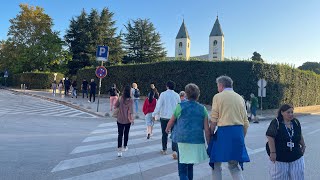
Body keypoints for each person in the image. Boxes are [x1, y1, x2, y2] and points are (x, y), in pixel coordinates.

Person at [208, 75, 250, 180]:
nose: (217, 88)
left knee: (216, 163)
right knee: (233, 165)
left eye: (218, 85)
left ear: (221, 85)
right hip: (238, 133)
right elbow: (246, 122)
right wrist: (241, 137)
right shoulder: (240, 98)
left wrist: (211, 133)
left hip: (223, 133)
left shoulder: (218, 97)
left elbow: (214, 119)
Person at [166, 83, 211, 180]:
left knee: (182, 170)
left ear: (186, 94)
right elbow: (207, 129)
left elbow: (172, 120)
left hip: (182, 140)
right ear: (198, 95)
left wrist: (167, 128)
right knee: (190, 167)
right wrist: (209, 144)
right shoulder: (203, 109)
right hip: (196, 140)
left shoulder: (180, 106)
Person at [266, 104, 306, 180]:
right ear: (282, 112)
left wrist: (303, 145)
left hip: (296, 157)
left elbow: (299, 134)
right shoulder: (276, 122)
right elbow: (270, 137)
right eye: (288, 112)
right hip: (280, 159)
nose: (291, 114)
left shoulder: (295, 122)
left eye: (292, 112)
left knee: (298, 177)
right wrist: (272, 153)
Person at [152, 80, 180, 156]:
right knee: (174, 134)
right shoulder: (177, 95)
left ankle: (164, 149)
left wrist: (154, 114)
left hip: (164, 117)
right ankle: (174, 150)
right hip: (174, 117)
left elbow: (159, 105)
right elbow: (179, 106)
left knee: (164, 134)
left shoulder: (163, 94)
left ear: (167, 86)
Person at [114, 85, 134, 157]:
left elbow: (115, 106)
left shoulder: (120, 98)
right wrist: (132, 119)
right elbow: (131, 111)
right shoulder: (131, 100)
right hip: (128, 120)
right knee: (126, 133)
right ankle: (125, 146)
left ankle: (119, 151)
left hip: (120, 119)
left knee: (120, 134)